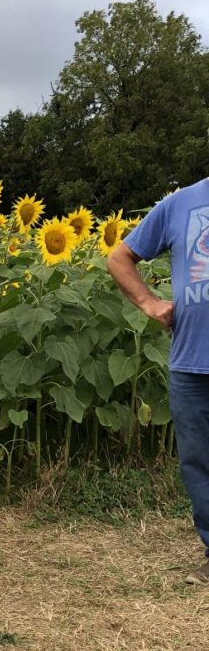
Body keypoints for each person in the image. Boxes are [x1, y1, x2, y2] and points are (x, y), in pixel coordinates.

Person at [108, 178, 209, 585]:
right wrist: (149, 302)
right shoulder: (180, 203)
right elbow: (120, 258)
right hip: (190, 360)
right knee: (199, 464)